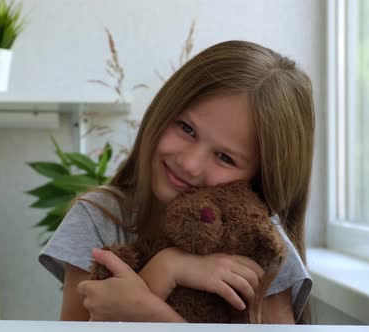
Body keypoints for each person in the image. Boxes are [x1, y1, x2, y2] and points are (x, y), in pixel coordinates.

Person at [39, 40, 315, 324]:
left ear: (260, 179)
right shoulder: (99, 218)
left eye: (224, 157)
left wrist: (157, 310)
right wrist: (165, 269)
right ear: (164, 109)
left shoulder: (260, 241)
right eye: (187, 128)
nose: (189, 164)